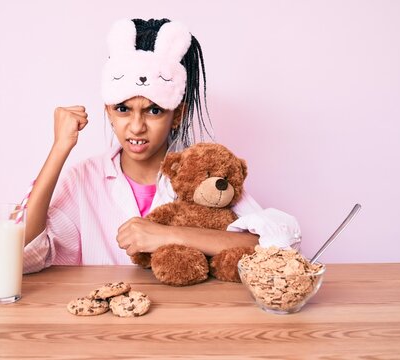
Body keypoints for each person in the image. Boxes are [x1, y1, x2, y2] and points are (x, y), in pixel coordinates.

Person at [23, 18, 301, 274]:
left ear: (176, 114)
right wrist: (59, 148)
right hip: (108, 325)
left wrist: (169, 235)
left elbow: (279, 248)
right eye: (123, 109)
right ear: (108, 110)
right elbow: (25, 257)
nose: (136, 126)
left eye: (153, 111)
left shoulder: (204, 173)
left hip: (183, 324)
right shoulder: (84, 178)